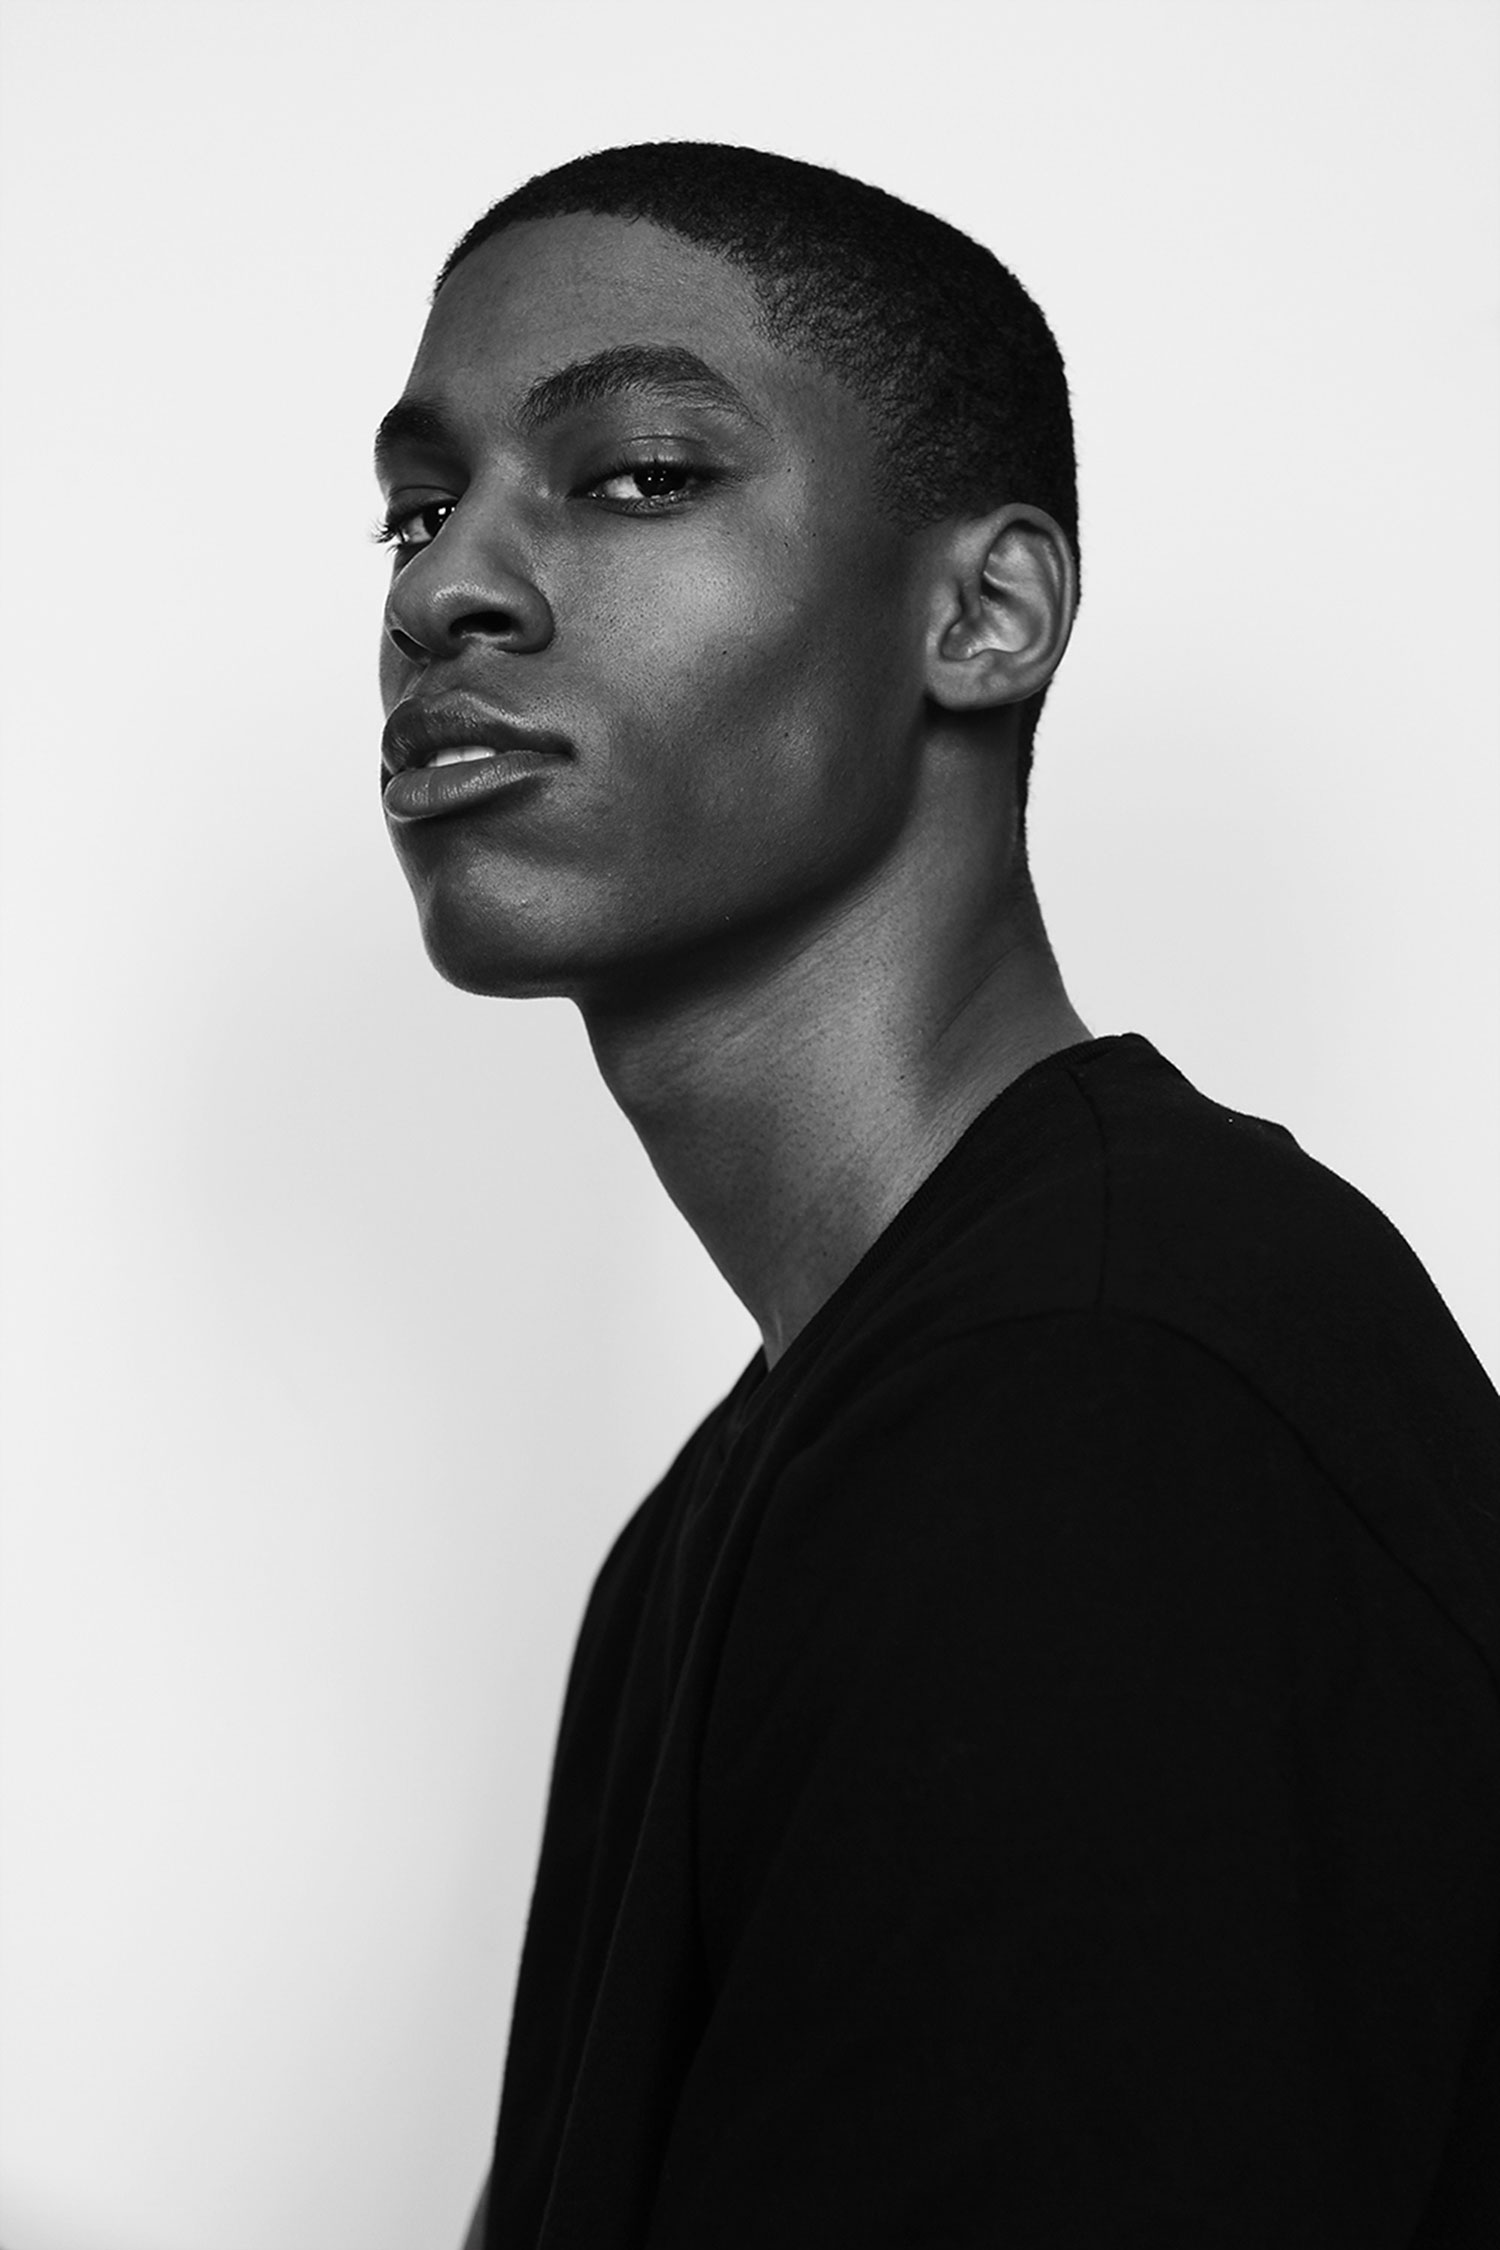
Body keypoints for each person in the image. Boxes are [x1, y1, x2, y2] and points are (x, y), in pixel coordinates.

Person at [373, 142, 1500, 2250]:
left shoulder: (1107, 1411)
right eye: (419, 509)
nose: (446, 591)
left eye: (636, 475)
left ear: (981, 616)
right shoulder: (755, 1500)